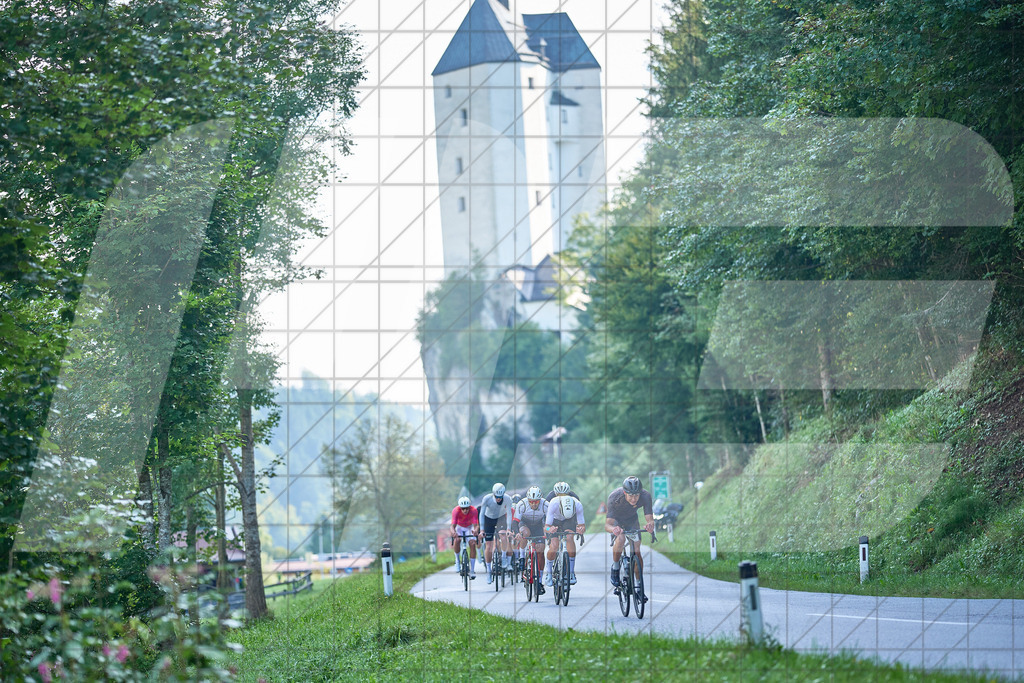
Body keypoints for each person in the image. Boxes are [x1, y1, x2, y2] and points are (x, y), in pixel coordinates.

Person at [605, 475, 654, 597]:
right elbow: (607, 525)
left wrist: (650, 525)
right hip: (617, 521)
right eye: (631, 495)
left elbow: (649, 518)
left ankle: (639, 588)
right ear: (624, 492)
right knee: (620, 539)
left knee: (637, 552)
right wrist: (614, 529)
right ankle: (615, 567)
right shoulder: (614, 497)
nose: (634, 499)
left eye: (636, 495)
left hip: (632, 521)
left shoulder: (645, 496)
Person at [511, 486, 548, 594]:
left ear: (540, 500)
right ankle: (522, 558)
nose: (533, 504)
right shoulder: (521, 504)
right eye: (531, 501)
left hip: (538, 526)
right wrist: (517, 533)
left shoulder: (546, 504)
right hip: (525, 524)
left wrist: (549, 531)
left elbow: (550, 521)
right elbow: (515, 522)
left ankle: (540, 582)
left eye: (536, 501)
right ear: (528, 500)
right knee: (525, 534)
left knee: (540, 551)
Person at [544, 493, 585, 586]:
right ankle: (549, 574)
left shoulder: (577, 504)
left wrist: (580, 529)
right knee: (554, 546)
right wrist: (549, 529)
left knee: (569, 537)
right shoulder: (553, 503)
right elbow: (545, 528)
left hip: (569, 520)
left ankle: (571, 573)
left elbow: (582, 526)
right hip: (554, 520)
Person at [479, 482, 514, 583]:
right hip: (488, 519)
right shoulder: (487, 498)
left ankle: (503, 558)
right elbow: (481, 514)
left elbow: (509, 513)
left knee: (503, 537)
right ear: (493, 494)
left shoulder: (507, 499)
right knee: (489, 546)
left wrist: (508, 528)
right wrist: (482, 530)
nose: (499, 499)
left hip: (500, 518)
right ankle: (489, 572)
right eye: (497, 496)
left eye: (500, 497)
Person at [449, 495, 480, 578]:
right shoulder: (455, 510)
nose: (465, 510)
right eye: (463, 508)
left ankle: (472, 570)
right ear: (460, 508)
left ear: (469, 507)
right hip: (459, 527)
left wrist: (476, 531)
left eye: (467, 508)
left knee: (473, 544)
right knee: (457, 540)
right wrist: (453, 533)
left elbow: (476, 525)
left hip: (470, 527)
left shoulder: (473, 510)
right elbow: (452, 526)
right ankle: (457, 561)